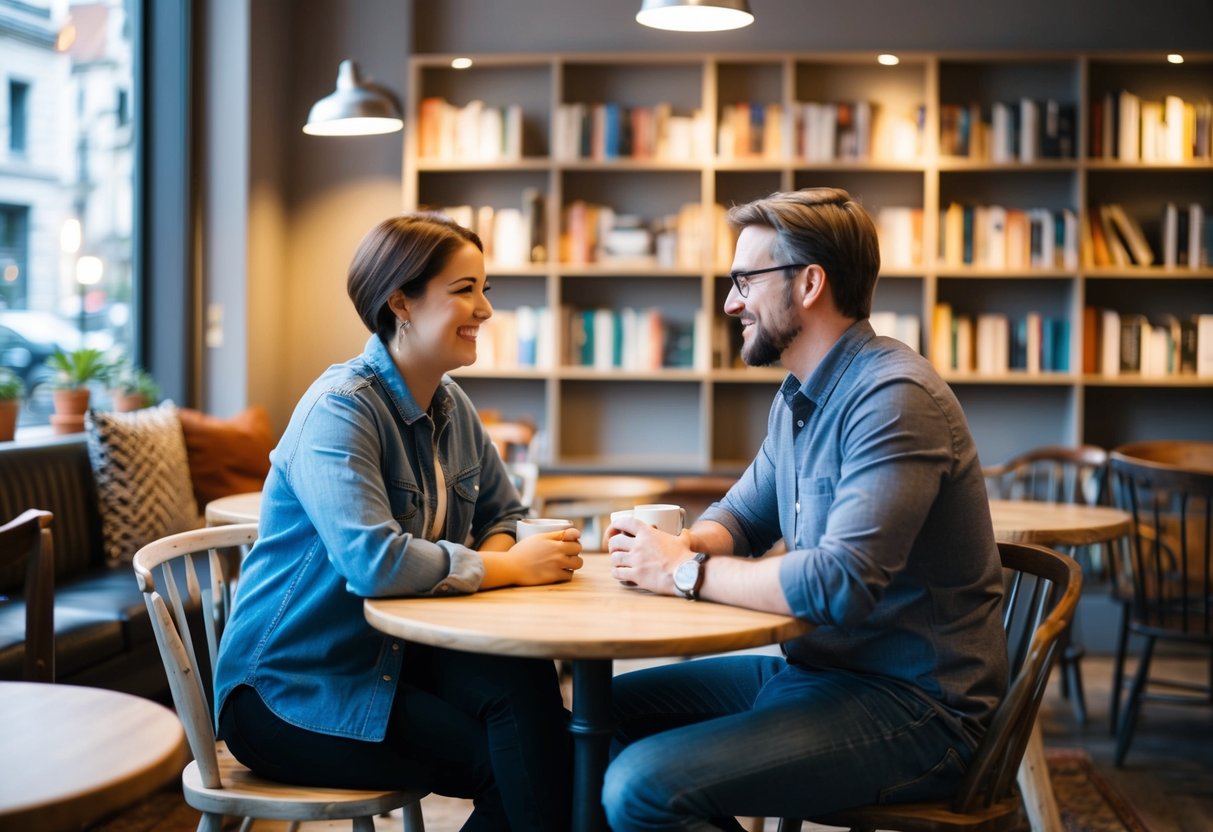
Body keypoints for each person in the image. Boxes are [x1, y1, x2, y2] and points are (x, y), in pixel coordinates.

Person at [602, 187, 1008, 830]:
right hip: (819, 673)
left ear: (810, 282)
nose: (731, 301)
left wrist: (683, 572)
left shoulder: (893, 398)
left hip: (916, 708)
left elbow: (838, 584)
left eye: (744, 280)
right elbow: (739, 517)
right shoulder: (798, 398)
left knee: (641, 787)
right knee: (593, 718)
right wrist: (666, 547)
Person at [212, 212, 583, 831]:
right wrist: (506, 568)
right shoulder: (340, 411)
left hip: (393, 655)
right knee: (529, 762)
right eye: (465, 290)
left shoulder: (450, 403)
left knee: (529, 697)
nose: (486, 310)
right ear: (401, 302)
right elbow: (373, 562)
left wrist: (498, 566)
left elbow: (505, 512)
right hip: (291, 690)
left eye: (484, 289)